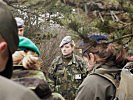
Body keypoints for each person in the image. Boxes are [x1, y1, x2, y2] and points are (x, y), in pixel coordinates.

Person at [0, 1, 39, 100]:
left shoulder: (28, 46)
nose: (19, 33)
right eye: (17, 30)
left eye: (21, 30)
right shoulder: (21, 96)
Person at [75, 34, 129, 100]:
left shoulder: (92, 83)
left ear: (92, 57)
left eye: (85, 59)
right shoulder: (124, 71)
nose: (84, 63)